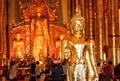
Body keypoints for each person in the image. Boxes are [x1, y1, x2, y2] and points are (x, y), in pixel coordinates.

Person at [61, 13, 98, 81]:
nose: (79, 26)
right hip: (73, 66)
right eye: (76, 24)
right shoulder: (66, 41)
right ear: (72, 26)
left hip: (84, 66)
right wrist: (66, 55)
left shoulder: (88, 41)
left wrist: (95, 73)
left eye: (81, 23)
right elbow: (62, 61)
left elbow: (92, 59)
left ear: (84, 25)